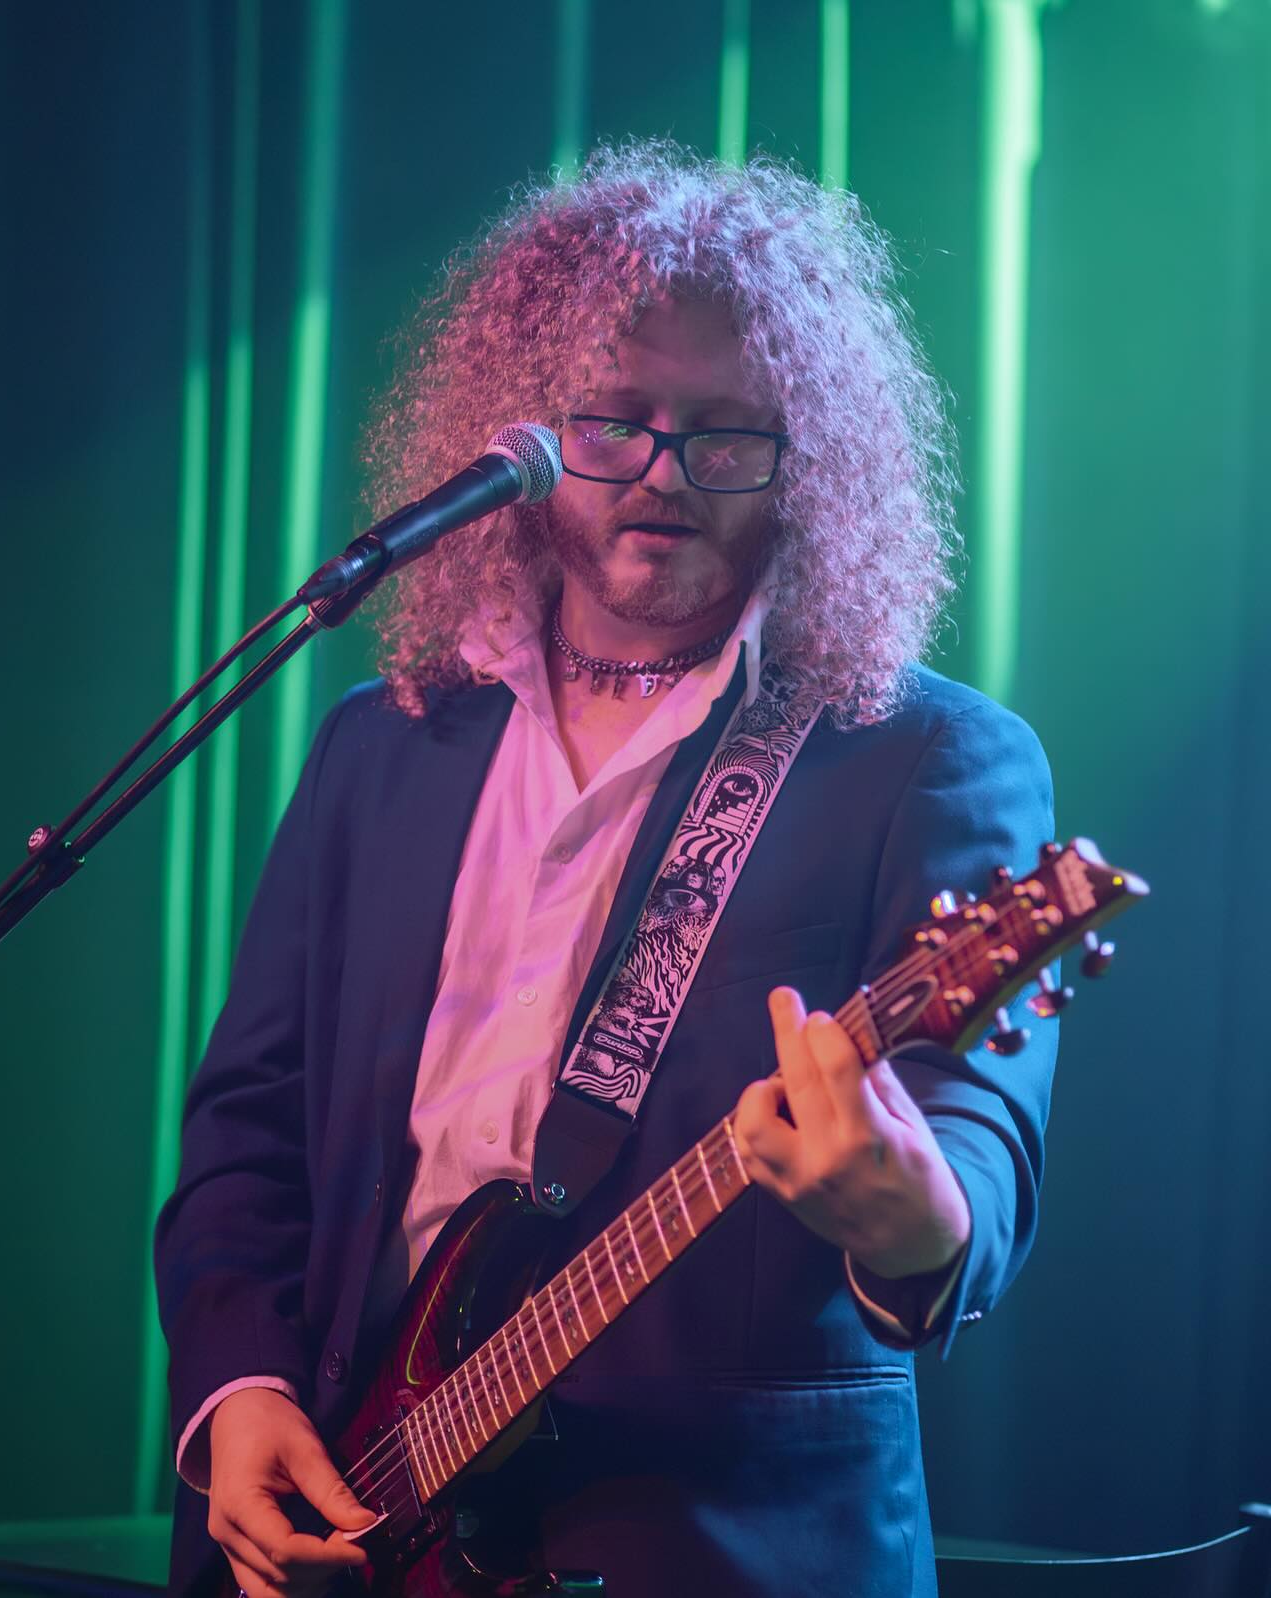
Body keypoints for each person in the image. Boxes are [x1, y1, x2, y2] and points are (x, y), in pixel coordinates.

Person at [154, 141, 1056, 1598]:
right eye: (614, 422)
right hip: (353, 1513)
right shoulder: (386, 743)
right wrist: (239, 1390)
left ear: (809, 460)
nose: (662, 473)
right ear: (521, 429)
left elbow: (978, 1125)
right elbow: (248, 1130)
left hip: (714, 1550)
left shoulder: (927, 758)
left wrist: (921, 1217)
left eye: (724, 434)